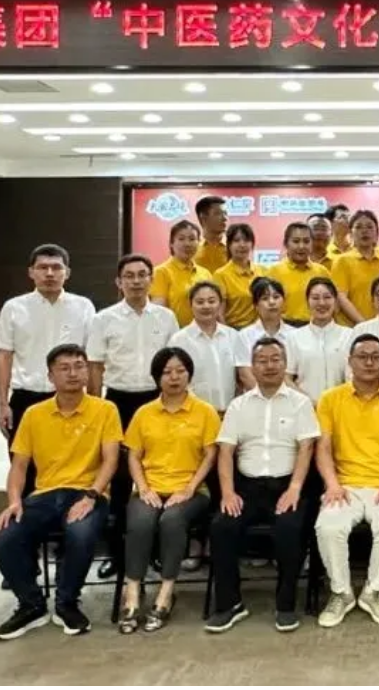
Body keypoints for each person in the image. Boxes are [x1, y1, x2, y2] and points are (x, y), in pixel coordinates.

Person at [0, 344, 121, 641]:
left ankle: (67, 603)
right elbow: (19, 465)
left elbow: (111, 460)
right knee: (4, 538)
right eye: (64, 368)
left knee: (80, 533)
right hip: (45, 494)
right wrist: (14, 502)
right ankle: (31, 605)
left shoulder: (105, 410)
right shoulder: (34, 414)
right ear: (50, 376)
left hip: (88, 493)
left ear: (87, 372)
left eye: (79, 366)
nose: (73, 373)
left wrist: (91, 495)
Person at [205, 337, 320, 634]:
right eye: (262, 360)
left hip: (288, 485)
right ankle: (230, 604)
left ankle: (285, 605)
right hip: (246, 487)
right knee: (221, 527)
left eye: (275, 359)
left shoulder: (301, 403)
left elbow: (306, 448)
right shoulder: (238, 405)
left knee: (290, 529)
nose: (269, 366)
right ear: (252, 367)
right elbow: (226, 452)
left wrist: (295, 488)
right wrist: (228, 493)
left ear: (285, 364)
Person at [87, 254, 180, 578]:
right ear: (119, 281)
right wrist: (96, 407)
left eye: (142, 275)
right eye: (129, 275)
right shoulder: (104, 319)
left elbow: (173, 362)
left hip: (156, 400)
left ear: (151, 279)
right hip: (119, 401)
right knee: (120, 478)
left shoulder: (166, 318)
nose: (137, 281)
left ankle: (154, 551)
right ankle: (117, 554)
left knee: (154, 475)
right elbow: (95, 366)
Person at [315, 335, 379, 628]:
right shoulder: (330, 399)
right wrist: (332, 484)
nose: (369, 362)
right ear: (350, 361)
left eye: (376, 357)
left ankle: (373, 591)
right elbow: (323, 447)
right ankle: (341, 592)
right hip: (344, 485)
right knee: (328, 526)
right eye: (362, 357)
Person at [119, 347, 219, 634]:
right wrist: (143, 488)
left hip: (191, 491)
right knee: (140, 521)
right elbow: (133, 455)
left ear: (189, 375)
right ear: (156, 377)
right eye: (166, 372)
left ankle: (165, 591)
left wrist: (188, 489)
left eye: (180, 371)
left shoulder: (205, 412)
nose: (174, 377)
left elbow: (210, 456)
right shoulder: (144, 413)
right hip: (150, 488)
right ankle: (132, 591)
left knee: (172, 520)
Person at [0, 244, 95, 497]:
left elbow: (91, 359)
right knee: (25, 468)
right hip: (27, 397)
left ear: (67, 272)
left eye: (56, 267)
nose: (50, 273)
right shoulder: (14, 307)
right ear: (31, 272)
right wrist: (3, 404)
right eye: (43, 267)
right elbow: (4, 356)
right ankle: (26, 515)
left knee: (72, 466)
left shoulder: (83, 306)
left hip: (71, 399)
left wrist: (94, 400)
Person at [169, 281, 241, 413]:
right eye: (200, 302)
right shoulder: (179, 340)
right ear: (191, 305)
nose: (206, 306)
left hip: (230, 414)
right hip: (194, 415)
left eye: (211, 301)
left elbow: (241, 378)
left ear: (220, 304)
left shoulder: (233, 336)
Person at [288, 277, 352, 403]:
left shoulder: (349, 335)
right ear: (307, 302)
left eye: (327, 297)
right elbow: (286, 378)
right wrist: (308, 403)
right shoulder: (293, 337)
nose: (321, 303)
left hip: (342, 407)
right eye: (315, 298)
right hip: (305, 408)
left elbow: (354, 378)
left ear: (336, 302)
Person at [234, 277, 298, 391]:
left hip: (289, 397)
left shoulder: (295, 334)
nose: (272, 302)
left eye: (276, 297)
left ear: (284, 302)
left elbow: (295, 374)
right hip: (255, 397)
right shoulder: (244, 336)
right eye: (265, 298)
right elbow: (245, 375)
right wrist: (266, 396)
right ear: (256, 305)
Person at [330, 209, 379, 325]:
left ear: (377, 233)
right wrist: (363, 324)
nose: (364, 231)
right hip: (351, 327)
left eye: (369, 227)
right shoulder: (342, 261)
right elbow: (341, 297)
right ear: (350, 233)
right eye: (358, 227)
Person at [149, 220, 213, 327]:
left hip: (202, 331)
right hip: (174, 333)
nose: (187, 244)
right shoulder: (161, 272)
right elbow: (158, 311)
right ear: (171, 243)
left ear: (199, 242)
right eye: (181, 239)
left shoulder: (205, 273)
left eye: (192, 239)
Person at [267, 221, 331, 326]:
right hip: (284, 328)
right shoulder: (274, 272)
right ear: (286, 244)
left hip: (316, 327)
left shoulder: (322, 272)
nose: (301, 246)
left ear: (312, 244)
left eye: (306, 241)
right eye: (296, 241)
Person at [213, 223, 265, 330]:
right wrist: (229, 335)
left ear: (252, 244)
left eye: (246, 240)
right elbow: (219, 314)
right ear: (229, 245)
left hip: (260, 330)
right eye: (236, 241)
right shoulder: (221, 275)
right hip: (234, 330)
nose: (242, 245)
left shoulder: (263, 271)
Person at [193, 195, 229, 273]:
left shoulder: (234, 247)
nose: (225, 218)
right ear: (203, 218)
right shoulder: (191, 248)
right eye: (218, 214)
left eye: (225, 213)